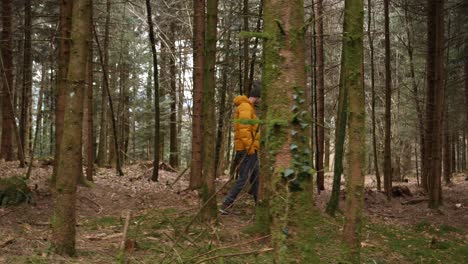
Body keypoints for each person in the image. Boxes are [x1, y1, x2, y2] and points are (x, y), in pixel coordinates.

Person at [220, 81, 261, 215]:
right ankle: (226, 204)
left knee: (256, 176)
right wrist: (250, 149)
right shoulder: (245, 107)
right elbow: (244, 131)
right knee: (243, 179)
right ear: (257, 96)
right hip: (246, 149)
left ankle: (259, 204)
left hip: (250, 149)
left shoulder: (248, 107)